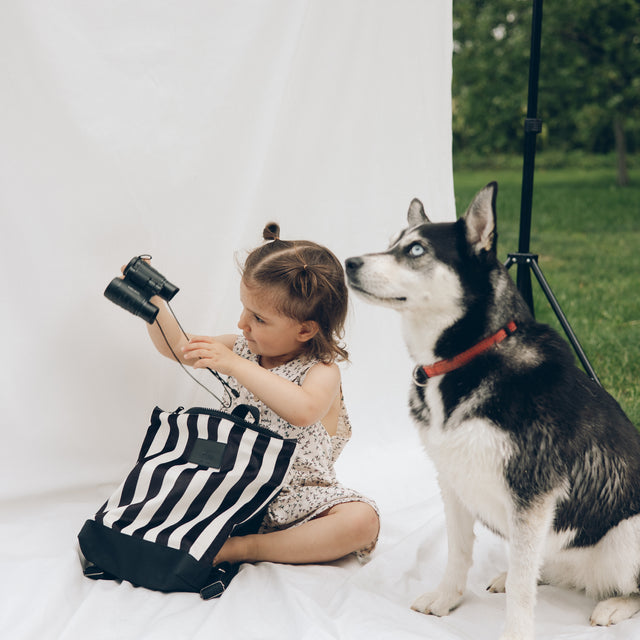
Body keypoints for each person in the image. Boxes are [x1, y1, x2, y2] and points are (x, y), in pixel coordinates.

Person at [144, 223, 380, 567]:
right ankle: (206, 529)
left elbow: (304, 410)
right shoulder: (241, 348)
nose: (242, 323)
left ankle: (244, 548)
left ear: (305, 329)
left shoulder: (321, 370)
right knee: (166, 470)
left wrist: (236, 365)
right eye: (243, 309)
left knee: (362, 520)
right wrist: (152, 302)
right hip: (234, 485)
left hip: (295, 498)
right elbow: (180, 347)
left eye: (258, 318)